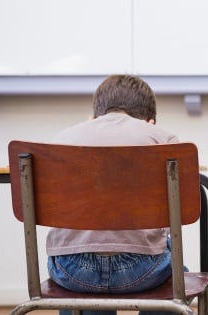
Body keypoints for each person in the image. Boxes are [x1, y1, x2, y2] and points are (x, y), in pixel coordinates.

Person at [47, 74, 180, 315]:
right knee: (177, 272)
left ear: (93, 118)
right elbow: (179, 211)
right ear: (149, 122)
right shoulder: (164, 140)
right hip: (143, 270)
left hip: (72, 272)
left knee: (75, 291)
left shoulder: (60, 141)